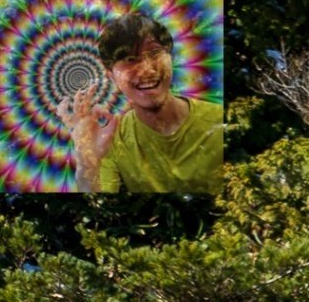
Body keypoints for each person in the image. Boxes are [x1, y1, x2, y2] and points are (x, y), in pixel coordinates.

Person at [64, 10, 224, 193]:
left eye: (155, 53)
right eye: (130, 59)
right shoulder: (111, 139)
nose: (147, 69)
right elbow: (98, 198)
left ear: (171, 59)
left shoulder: (219, 120)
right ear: (112, 77)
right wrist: (87, 161)